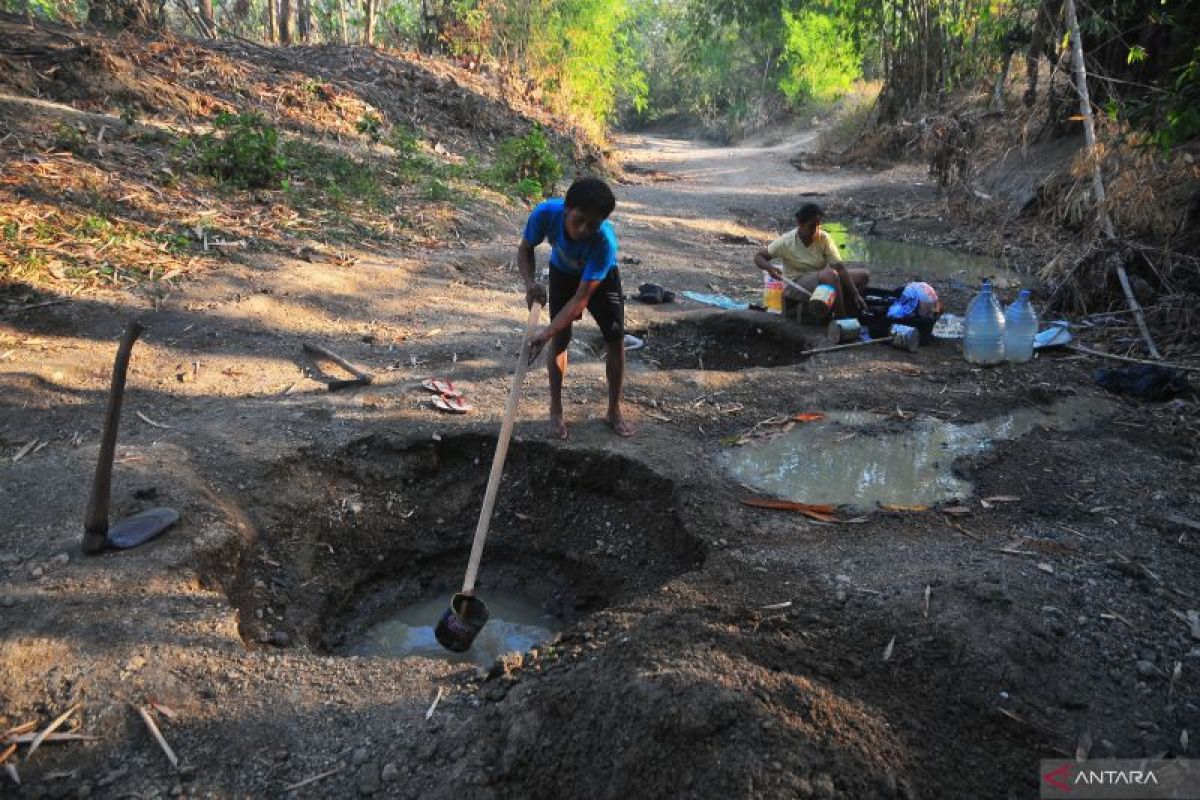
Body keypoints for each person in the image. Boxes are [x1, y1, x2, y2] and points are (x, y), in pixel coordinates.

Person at [518, 177, 634, 439]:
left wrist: (544, 332)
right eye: (578, 219)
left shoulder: (605, 243)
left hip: (599, 280)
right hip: (562, 272)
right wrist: (530, 284)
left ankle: (614, 410)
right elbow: (525, 249)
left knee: (615, 336)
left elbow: (582, 297)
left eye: (592, 225)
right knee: (561, 338)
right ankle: (556, 410)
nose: (583, 230)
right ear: (566, 208)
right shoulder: (545, 213)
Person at [754, 203, 869, 319]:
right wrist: (769, 268)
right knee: (831, 275)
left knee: (863, 275)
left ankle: (848, 309)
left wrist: (856, 294)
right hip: (796, 284)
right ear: (800, 224)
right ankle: (841, 320)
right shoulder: (786, 241)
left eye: (818, 225)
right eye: (811, 226)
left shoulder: (823, 238)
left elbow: (839, 267)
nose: (816, 230)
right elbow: (759, 257)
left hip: (822, 279)